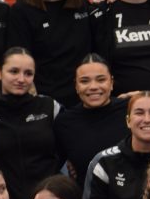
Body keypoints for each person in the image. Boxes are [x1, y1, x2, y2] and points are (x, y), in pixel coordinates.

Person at [0, 48, 64, 199]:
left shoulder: (50, 107)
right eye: (14, 71)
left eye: (28, 73)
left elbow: (67, 149)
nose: (21, 79)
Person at [8, 0, 93, 107]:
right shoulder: (22, 10)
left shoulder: (82, 3)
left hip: (82, 100)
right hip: (42, 102)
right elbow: (18, 60)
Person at [53, 54, 130, 187]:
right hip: (87, 197)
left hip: (133, 195)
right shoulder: (64, 122)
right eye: (84, 81)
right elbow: (52, 166)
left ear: (111, 83)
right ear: (76, 86)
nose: (93, 86)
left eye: (101, 80)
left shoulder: (131, 110)